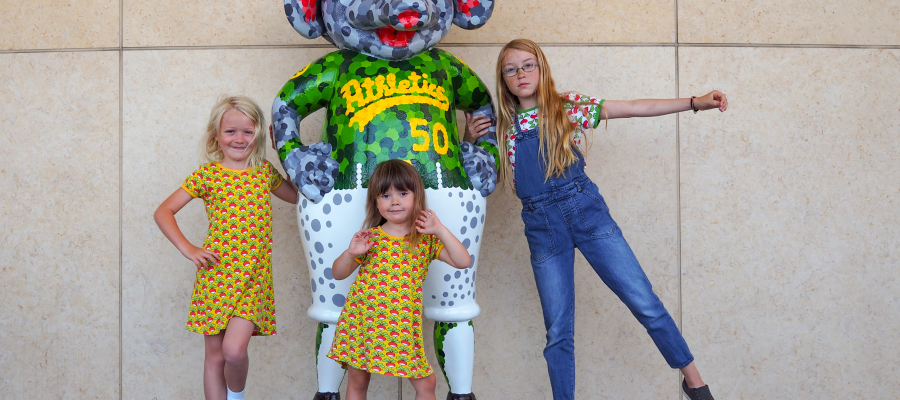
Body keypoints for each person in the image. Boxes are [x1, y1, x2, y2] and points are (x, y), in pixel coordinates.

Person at [465, 39, 728, 400]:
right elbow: (485, 182)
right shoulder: (502, 129)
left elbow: (635, 108)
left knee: (643, 301)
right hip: (543, 229)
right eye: (511, 69)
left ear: (541, 69)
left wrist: (695, 103)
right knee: (558, 330)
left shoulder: (565, 108)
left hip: (586, 212)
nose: (521, 74)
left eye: (528, 65)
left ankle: (696, 383)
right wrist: (470, 141)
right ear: (503, 79)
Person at [154, 95, 298, 400]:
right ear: (216, 136)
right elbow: (163, 212)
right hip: (216, 275)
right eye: (231, 131)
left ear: (258, 134)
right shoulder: (207, 175)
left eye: (248, 131)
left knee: (234, 351)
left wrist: (281, 151)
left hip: (252, 279)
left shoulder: (264, 173)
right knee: (216, 356)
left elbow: (297, 197)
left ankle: (236, 397)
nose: (239, 138)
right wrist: (189, 248)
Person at [327, 160, 473, 400]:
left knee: (426, 383)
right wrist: (351, 253)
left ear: (417, 196)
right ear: (375, 201)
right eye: (385, 195)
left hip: (402, 327)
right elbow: (338, 273)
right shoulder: (370, 238)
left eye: (403, 193)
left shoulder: (425, 239)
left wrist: (440, 229)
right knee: (358, 379)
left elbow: (463, 261)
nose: (394, 201)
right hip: (362, 321)